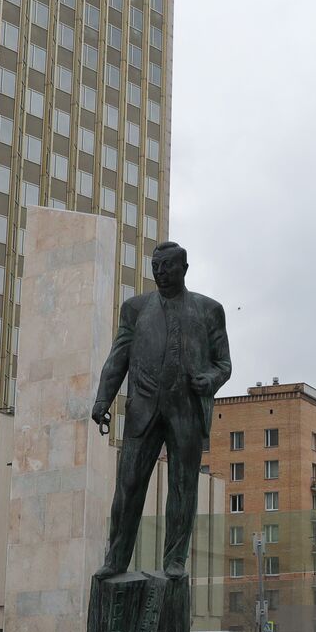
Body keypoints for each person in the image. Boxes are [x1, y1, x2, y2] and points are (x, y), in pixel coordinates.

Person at [91, 242, 232, 578]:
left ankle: (175, 558)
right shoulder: (135, 309)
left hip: (186, 411)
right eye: (155, 266)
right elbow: (117, 359)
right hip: (143, 409)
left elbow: (224, 364)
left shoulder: (209, 310)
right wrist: (102, 400)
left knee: (183, 488)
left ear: (184, 268)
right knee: (127, 487)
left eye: (167, 266)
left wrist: (210, 380)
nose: (160, 272)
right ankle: (116, 558)